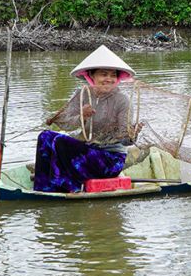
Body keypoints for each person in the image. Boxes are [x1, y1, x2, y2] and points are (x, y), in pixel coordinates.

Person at [33, 45, 142, 193]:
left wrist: (132, 135)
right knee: (45, 136)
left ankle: (69, 186)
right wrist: (82, 116)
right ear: (92, 76)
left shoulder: (122, 100)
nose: (109, 79)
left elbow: (125, 141)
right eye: (104, 74)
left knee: (60, 143)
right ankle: (44, 186)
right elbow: (67, 125)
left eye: (113, 75)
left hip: (109, 159)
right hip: (88, 150)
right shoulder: (83, 94)